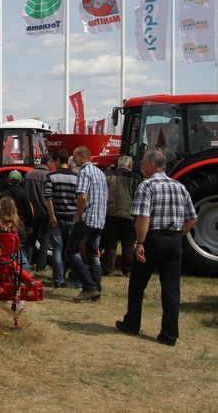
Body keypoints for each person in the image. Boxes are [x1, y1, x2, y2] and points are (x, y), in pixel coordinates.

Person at [116, 150, 197, 347]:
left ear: (152, 165)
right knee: (171, 289)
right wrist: (177, 235)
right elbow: (192, 218)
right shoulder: (180, 186)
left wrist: (140, 243)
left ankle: (132, 324)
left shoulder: (147, 186)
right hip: (173, 241)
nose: (141, 168)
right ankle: (169, 335)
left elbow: (143, 217)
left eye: (143, 164)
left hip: (152, 239)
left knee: (137, 284)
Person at [67, 146, 108, 301]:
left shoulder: (85, 172)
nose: (73, 159)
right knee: (92, 254)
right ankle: (96, 289)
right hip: (99, 219)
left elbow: (82, 197)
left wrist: (78, 214)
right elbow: (106, 196)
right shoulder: (100, 173)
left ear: (83, 156)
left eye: (75, 156)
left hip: (88, 218)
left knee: (72, 251)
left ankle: (89, 287)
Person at [44, 150, 78, 288]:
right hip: (72, 217)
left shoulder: (51, 176)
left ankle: (59, 280)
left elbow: (48, 198)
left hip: (57, 217)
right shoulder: (76, 177)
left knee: (58, 249)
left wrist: (52, 216)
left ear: (57, 160)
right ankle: (75, 278)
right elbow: (80, 197)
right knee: (72, 249)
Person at [102, 156, 135, 276]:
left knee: (110, 244)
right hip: (129, 215)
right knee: (128, 244)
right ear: (130, 165)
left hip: (110, 214)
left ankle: (108, 270)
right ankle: (128, 271)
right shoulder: (134, 178)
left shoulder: (108, 176)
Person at [23, 156, 51, 267]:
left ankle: (27, 263)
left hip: (32, 212)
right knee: (44, 240)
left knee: (30, 238)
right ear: (48, 162)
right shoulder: (49, 176)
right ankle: (41, 265)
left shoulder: (28, 175)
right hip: (46, 212)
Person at [0, 196, 30, 269]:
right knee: (25, 267)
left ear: (0, 209)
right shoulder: (17, 222)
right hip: (15, 251)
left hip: (1, 252)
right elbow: (23, 237)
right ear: (14, 208)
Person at [2, 170, 34, 239]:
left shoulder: (4, 194)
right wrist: (30, 225)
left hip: (6, 226)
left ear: (8, 180)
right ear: (20, 180)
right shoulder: (23, 194)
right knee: (21, 247)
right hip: (20, 224)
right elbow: (28, 211)